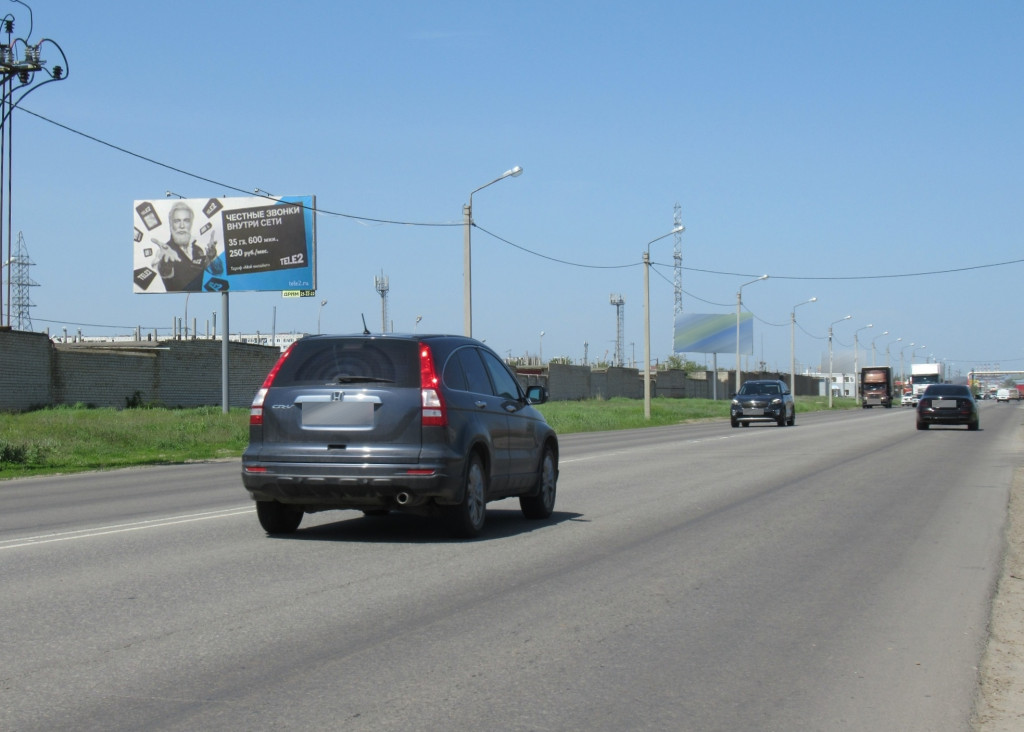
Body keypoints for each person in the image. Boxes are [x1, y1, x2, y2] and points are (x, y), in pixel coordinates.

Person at [150, 201, 219, 292]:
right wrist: (166, 262)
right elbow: (164, 272)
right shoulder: (165, 251)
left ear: (191, 224)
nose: (182, 226)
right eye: (177, 221)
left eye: (186, 220)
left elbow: (216, 271)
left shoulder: (198, 249)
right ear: (171, 224)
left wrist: (212, 257)